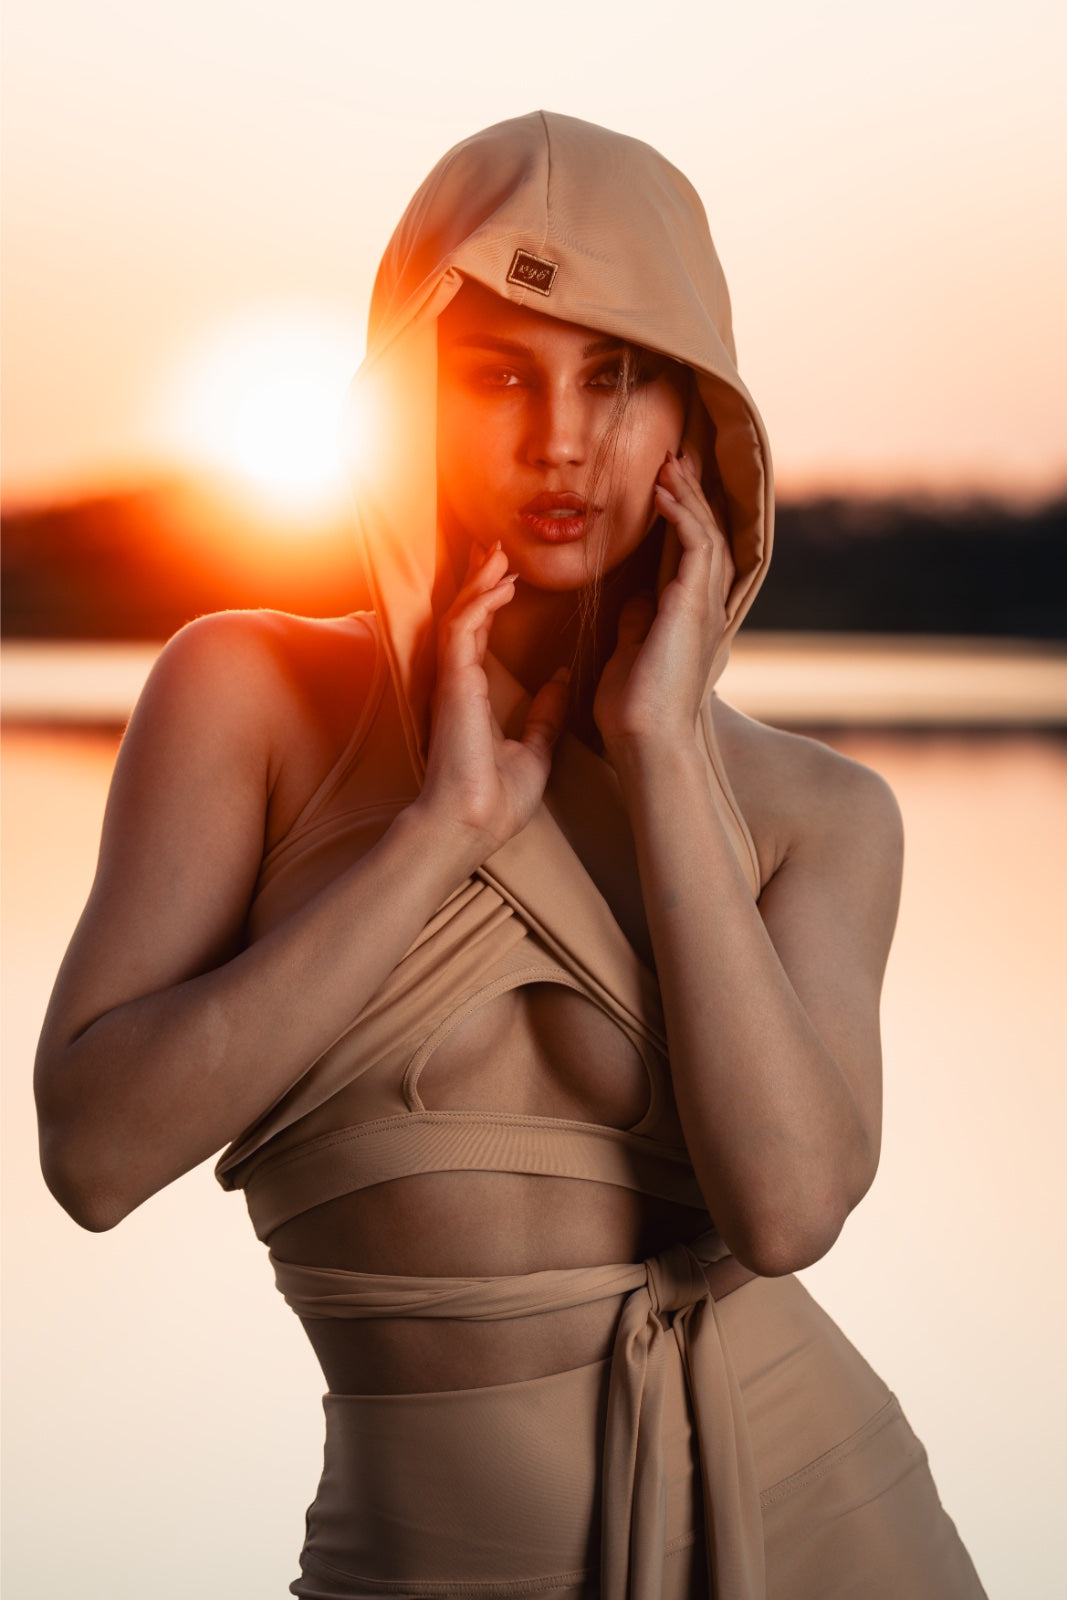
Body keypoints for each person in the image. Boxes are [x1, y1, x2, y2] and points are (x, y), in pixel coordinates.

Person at [34, 112, 986, 1598]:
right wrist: (440, 834)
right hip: (418, 1557)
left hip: (819, 1528)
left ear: (694, 417)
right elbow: (93, 1158)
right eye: (498, 377)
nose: (560, 438)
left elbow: (789, 1214)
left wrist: (666, 752)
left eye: (616, 376)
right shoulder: (250, 699)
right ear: (410, 399)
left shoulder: (820, 814)